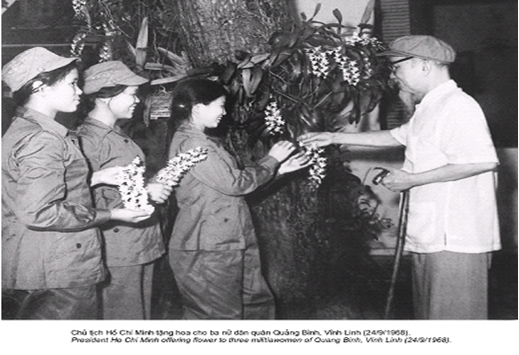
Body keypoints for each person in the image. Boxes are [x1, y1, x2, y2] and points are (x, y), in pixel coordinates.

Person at [299, 35, 501, 320]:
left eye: (397, 67)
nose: (394, 77)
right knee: (433, 319)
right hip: (433, 235)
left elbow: (481, 161)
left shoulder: (458, 106)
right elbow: (397, 135)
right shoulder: (431, 107)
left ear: (424, 65)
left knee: (455, 324)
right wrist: (332, 136)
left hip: (455, 239)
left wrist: (412, 180)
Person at [1, 48, 152, 320]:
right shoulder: (44, 139)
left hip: (37, 263)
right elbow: (39, 211)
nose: (80, 92)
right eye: (72, 83)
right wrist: (113, 214)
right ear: (40, 87)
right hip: (59, 268)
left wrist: (95, 178)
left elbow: (25, 188)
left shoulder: (24, 129)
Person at [167, 78, 310, 319]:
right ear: (199, 108)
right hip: (208, 247)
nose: (224, 112)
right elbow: (234, 184)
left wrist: (280, 171)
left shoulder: (206, 142)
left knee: (256, 307)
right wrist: (271, 160)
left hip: (230, 241)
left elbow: (233, 191)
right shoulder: (191, 143)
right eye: (220, 105)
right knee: (220, 318)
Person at [77, 61, 172, 319]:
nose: (138, 101)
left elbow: (121, 182)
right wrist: (146, 192)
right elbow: (80, 197)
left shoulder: (116, 133)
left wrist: (150, 184)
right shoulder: (88, 140)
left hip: (138, 245)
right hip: (117, 250)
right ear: (106, 96)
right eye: (131, 94)